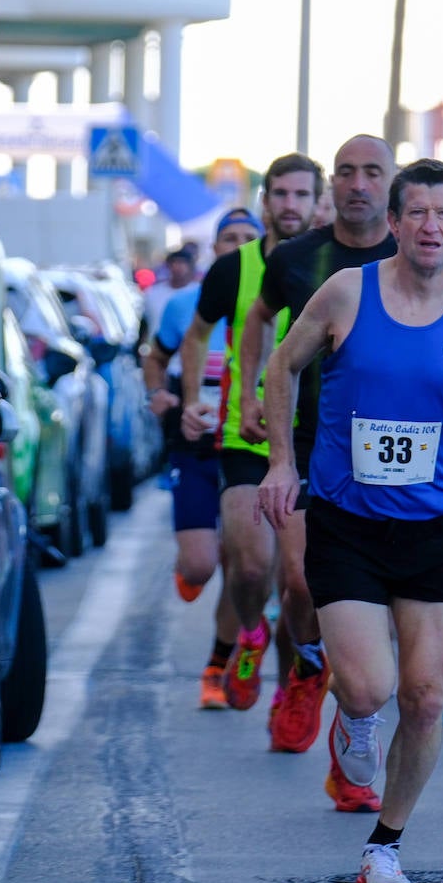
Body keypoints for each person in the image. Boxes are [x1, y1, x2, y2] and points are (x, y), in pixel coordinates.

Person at [259, 158, 443, 883]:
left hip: (437, 524)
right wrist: (282, 463)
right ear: (396, 224)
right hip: (348, 522)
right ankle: (356, 722)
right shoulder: (347, 292)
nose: (432, 226)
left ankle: (385, 849)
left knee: (428, 695)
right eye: (419, 213)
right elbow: (283, 366)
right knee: (369, 689)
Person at [239, 135, 398, 812]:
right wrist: (247, 394)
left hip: (397, 462)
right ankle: (305, 667)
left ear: (391, 183)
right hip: (311, 452)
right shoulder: (300, 257)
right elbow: (258, 322)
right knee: (302, 580)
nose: (358, 184)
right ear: (333, 183)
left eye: (373, 173)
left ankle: (346, 746)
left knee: (375, 613)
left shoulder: (412, 254)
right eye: (347, 173)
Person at [179, 153, 327, 743]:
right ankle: (248, 631)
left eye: (301, 195)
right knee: (247, 565)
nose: (290, 205)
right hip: (249, 435)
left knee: (297, 582)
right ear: (265, 201)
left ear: (318, 202)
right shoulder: (234, 268)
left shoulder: (332, 265)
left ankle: (293, 693)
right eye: (280, 193)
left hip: (315, 441)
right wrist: (194, 397)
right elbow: (194, 336)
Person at [144, 209, 262, 707]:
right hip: (196, 442)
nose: (236, 246)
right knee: (199, 566)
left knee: (243, 564)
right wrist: (160, 396)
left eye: (247, 239)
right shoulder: (183, 305)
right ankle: (191, 571)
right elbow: (155, 356)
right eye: (227, 239)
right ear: (212, 249)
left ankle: (217, 665)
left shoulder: (275, 300)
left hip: (251, 443)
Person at [143, 245, 197, 342]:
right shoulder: (153, 293)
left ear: (190, 266)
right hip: (158, 347)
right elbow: (146, 322)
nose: (177, 267)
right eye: (174, 262)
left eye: (182, 263)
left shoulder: (198, 292)